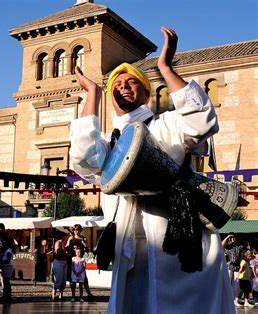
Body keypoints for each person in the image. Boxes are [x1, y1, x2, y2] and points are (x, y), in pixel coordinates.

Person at [70, 26, 233, 313]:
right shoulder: (109, 143)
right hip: (131, 250)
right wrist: (93, 94)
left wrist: (165, 68)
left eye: (131, 82)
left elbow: (203, 123)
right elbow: (85, 161)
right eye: (116, 84)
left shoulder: (166, 124)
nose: (122, 86)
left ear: (146, 92)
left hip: (180, 242)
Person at [66, 224, 93, 300]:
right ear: (73, 230)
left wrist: (83, 243)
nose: (76, 231)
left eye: (78, 230)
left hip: (80, 262)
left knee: (84, 279)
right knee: (72, 280)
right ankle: (73, 296)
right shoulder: (71, 238)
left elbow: (88, 249)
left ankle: (88, 293)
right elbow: (67, 247)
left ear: (80, 230)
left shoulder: (83, 238)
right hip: (73, 261)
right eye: (75, 230)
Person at [51, 232, 68, 301]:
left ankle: (61, 295)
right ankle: (53, 295)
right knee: (58, 279)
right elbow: (57, 251)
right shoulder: (58, 242)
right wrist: (65, 253)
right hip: (58, 262)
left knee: (63, 280)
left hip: (64, 262)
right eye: (65, 236)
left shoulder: (64, 243)